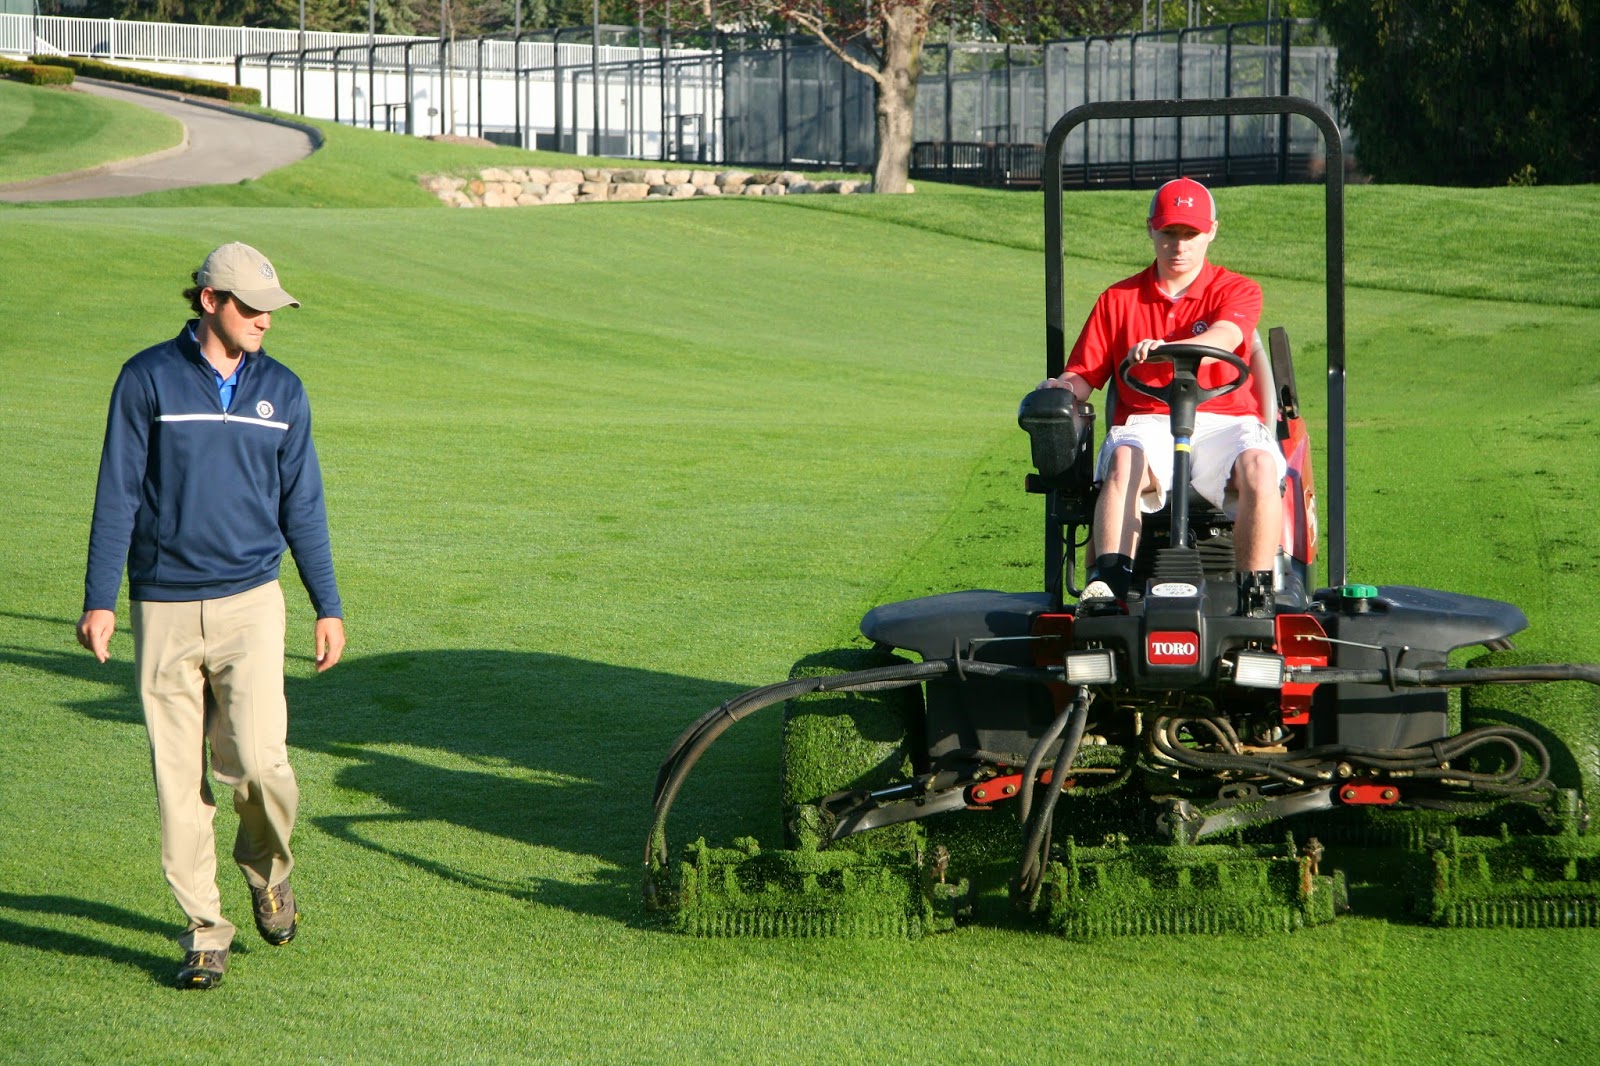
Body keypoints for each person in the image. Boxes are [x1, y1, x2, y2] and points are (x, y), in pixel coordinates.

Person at [77, 242, 346, 990]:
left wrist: (329, 606)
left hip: (253, 605)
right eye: (251, 305)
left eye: (271, 307)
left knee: (261, 766)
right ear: (208, 301)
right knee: (178, 785)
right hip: (161, 606)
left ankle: (266, 871)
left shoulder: (284, 392)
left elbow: (305, 506)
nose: (266, 318)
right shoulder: (146, 380)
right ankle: (205, 930)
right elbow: (118, 493)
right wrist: (101, 598)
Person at [1039, 177, 1283, 614]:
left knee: (1262, 467)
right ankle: (1107, 586)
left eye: (1190, 234)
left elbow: (1228, 333)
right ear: (1151, 229)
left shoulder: (1236, 290)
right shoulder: (1118, 299)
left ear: (1211, 231)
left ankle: (1257, 593)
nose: (1180, 245)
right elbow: (1083, 374)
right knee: (1124, 459)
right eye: (1169, 233)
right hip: (1148, 422)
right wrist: (1061, 388)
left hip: (1226, 421)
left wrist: (1168, 349)